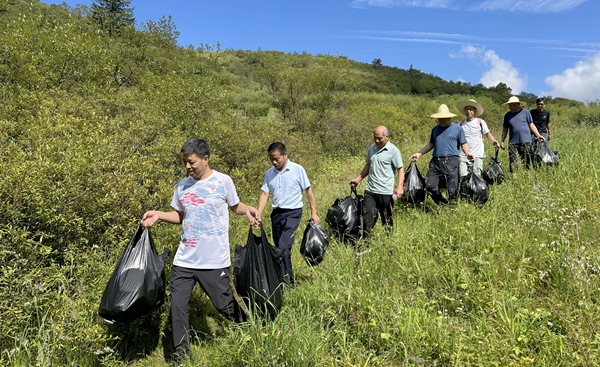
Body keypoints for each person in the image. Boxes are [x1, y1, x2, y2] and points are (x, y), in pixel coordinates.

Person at [141, 138, 259, 362]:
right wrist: (158, 215)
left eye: (191, 162)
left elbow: (236, 206)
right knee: (177, 305)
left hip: (213, 260)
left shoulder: (223, 181)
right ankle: (181, 355)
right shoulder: (183, 185)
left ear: (205, 159)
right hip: (184, 260)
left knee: (223, 304)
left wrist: (248, 211)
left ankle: (247, 326)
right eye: (185, 162)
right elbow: (180, 216)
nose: (187, 166)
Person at [257, 142, 319, 285]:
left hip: (293, 213)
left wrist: (313, 212)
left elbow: (308, 190)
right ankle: (285, 278)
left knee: (285, 246)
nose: (274, 162)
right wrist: (258, 213)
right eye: (271, 158)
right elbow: (265, 193)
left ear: (285, 155)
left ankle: (286, 282)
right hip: (277, 214)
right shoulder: (269, 173)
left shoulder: (297, 169)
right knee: (279, 249)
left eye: (277, 158)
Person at [410, 104, 475, 205]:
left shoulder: (458, 129)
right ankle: (443, 204)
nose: (441, 120)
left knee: (452, 189)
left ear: (449, 117)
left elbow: (464, 144)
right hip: (436, 161)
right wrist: (419, 153)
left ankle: (452, 208)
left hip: (451, 160)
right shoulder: (435, 129)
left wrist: (468, 153)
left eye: (443, 118)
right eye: (439, 118)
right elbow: (431, 144)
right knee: (430, 186)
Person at [349, 125, 404, 240]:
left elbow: (400, 169)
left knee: (386, 219)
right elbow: (368, 165)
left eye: (380, 138)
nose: (377, 141)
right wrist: (358, 179)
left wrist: (399, 187)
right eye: (375, 138)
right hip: (370, 191)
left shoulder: (393, 151)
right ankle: (365, 243)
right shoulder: (372, 149)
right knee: (367, 217)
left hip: (386, 192)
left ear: (387, 137)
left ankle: (389, 241)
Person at [499, 96, 545, 178]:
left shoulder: (526, 113)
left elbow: (531, 125)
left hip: (526, 141)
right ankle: (514, 179)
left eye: (514, 105)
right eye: (510, 105)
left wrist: (538, 135)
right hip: (513, 142)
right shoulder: (507, 116)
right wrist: (502, 141)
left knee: (526, 161)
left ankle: (526, 178)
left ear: (518, 104)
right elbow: (505, 129)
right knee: (513, 161)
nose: (512, 107)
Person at [456, 99, 499, 177]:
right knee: (463, 176)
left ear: (475, 111)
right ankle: (464, 189)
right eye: (466, 109)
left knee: (477, 176)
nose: (468, 111)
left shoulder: (480, 122)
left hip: (478, 154)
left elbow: (487, 134)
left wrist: (493, 141)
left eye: (470, 109)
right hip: (463, 155)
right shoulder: (460, 124)